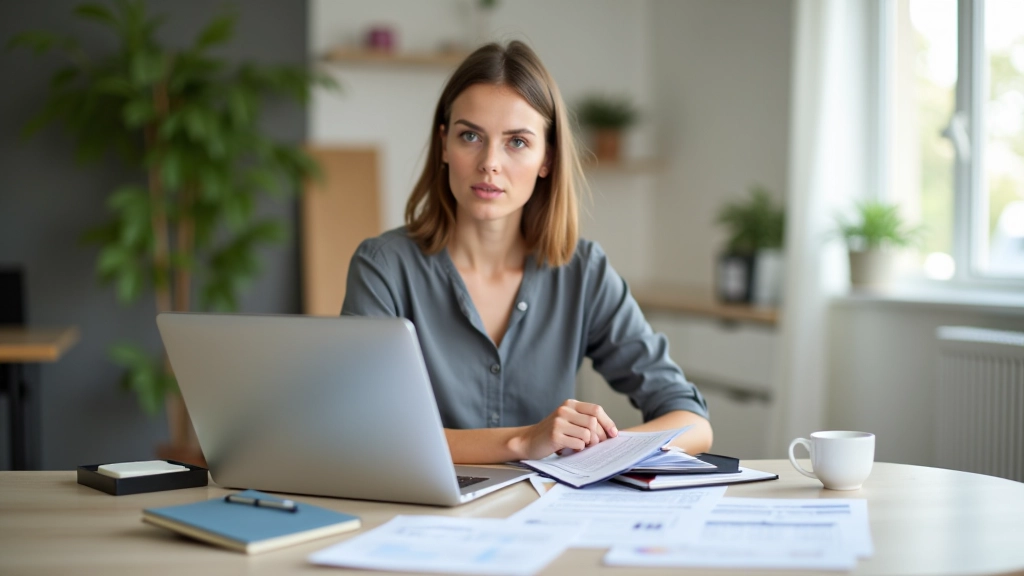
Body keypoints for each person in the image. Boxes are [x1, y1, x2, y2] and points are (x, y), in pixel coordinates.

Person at [342, 40, 712, 464]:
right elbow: (364, 430)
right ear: (444, 145)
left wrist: (598, 452)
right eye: (470, 136)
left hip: (548, 504)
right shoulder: (383, 268)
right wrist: (523, 442)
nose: (489, 163)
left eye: (516, 142)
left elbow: (692, 422)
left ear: (547, 158)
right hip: (428, 504)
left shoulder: (583, 272)